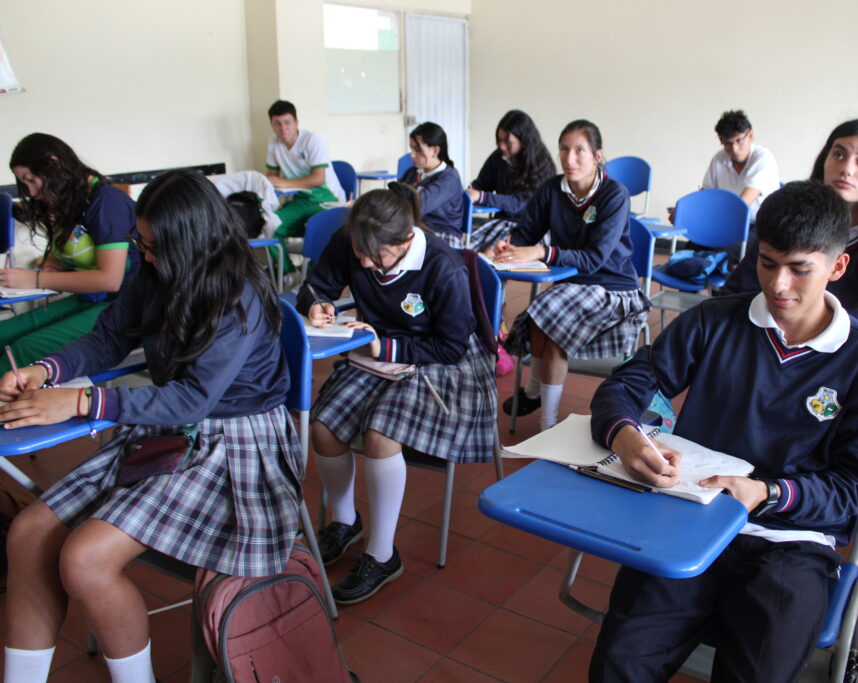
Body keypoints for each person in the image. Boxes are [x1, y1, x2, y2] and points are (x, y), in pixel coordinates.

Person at [0, 170, 303, 683]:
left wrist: (82, 401)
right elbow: (108, 339)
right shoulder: (154, 268)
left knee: (85, 560)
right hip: (169, 429)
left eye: (152, 245)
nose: (142, 254)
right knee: (28, 534)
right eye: (141, 241)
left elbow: (192, 399)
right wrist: (45, 371)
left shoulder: (236, 293)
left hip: (236, 444)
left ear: (191, 243)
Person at [589, 181, 858, 682]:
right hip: (692, 521)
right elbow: (628, 384)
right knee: (619, 662)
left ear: (837, 268)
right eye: (768, 262)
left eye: (800, 269)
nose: (778, 285)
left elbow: (852, 486)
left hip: (790, 543)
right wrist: (626, 435)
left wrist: (768, 493)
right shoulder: (715, 321)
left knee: (759, 671)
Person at [723, 119, 858, 516]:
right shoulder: (790, 215)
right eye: (838, 154)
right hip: (773, 371)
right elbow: (736, 298)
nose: (846, 168)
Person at [297, 187, 496, 604]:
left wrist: (386, 348)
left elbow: (453, 346)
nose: (365, 263)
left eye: (377, 257)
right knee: (323, 427)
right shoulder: (355, 241)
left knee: (379, 434)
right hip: (377, 350)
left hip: (439, 362)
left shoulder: (442, 266)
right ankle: (345, 521)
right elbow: (318, 285)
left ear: (406, 241)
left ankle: (382, 553)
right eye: (359, 253)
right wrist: (316, 303)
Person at [494, 119, 650, 431]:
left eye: (580, 150)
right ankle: (539, 399)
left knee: (548, 315)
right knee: (544, 313)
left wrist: (542, 252)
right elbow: (526, 232)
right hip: (573, 285)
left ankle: (547, 423)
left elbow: (594, 259)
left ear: (598, 156)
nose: (569, 158)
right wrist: (508, 247)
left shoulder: (614, 195)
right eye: (564, 149)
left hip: (612, 289)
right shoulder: (552, 189)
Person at [0, 133, 138, 373]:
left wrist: (35, 279)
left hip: (127, 305)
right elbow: (67, 249)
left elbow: (110, 280)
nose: (30, 192)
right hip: (92, 299)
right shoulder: (72, 199)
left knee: (26, 349)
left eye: (31, 180)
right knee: (4, 334)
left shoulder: (107, 202)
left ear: (53, 164)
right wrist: (52, 265)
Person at [466, 109, 556, 252]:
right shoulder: (497, 158)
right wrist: (469, 192)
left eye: (508, 142)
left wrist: (481, 196)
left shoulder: (541, 164)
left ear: (524, 141)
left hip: (529, 230)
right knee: (465, 250)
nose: (502, 146)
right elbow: (481, 184)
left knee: (488, 255)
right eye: (499, 140)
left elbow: (518, 204)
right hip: (501, 223)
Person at [265, 99, 345, 238]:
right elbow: (271, 176)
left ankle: (319, 261)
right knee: (270, 226)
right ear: (272, 125)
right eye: (277, 124)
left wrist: (283, 183)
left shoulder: (313, 140)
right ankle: (285, 261)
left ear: (296, 122)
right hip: (301, 200)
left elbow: (318, 179)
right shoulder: (273, 143)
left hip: (327, 199)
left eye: (287, 122)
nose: (283, 128)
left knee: (319, 229)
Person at [698, 109, 780, 218]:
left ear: (750, 135)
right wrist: (684, 212)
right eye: (728, 143)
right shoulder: (719, 158)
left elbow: (742, 205)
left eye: (739, 140)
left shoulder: (763, 158)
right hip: (730, 221)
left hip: (761, 226)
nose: (734, 149)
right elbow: (706, 196)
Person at [398, 121, 465, 249]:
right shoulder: (412, 173)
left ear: (435, 150)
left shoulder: (449, 178)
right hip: (415, 230)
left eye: (417, 149)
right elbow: (394, 197)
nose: (412, 154)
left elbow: (419, 206)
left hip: (442, 235)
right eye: (411, 148)